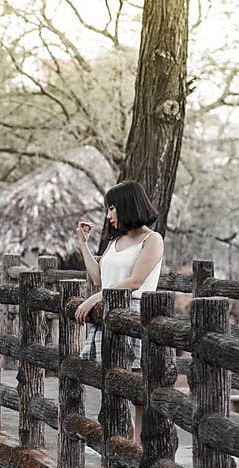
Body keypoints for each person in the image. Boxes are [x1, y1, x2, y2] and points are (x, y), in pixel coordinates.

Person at [74, 180, 164, 445]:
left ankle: (138, 449)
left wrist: (96, 297)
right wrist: (83, 244)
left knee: (137, 387)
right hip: (109, 315)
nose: (108, 215)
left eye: (112, 208)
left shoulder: (152, 239)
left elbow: (136, 281)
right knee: (113, 384)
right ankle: (119, 446)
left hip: (136, 314)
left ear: (126, 206)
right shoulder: (116, 240)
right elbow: (99, 277)